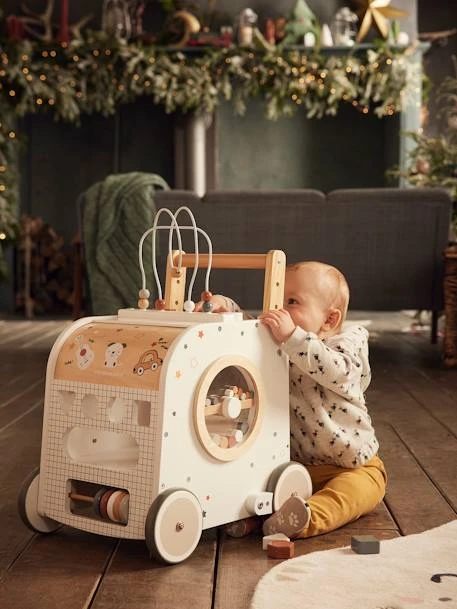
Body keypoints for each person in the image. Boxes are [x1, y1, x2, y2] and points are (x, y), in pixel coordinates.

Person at [199, 261, 386, 540]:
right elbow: (251, 329)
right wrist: (226, 309)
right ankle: (249, 516)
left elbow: (338, 372)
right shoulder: (280, 339)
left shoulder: (347, 345)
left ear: (329, 320)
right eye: (277, 299)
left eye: (292, 302)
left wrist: (292, 337)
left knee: (356, 491)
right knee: (258, 483)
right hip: (293, 467)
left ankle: (306, 517)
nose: (278, 309)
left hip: (352, 465)